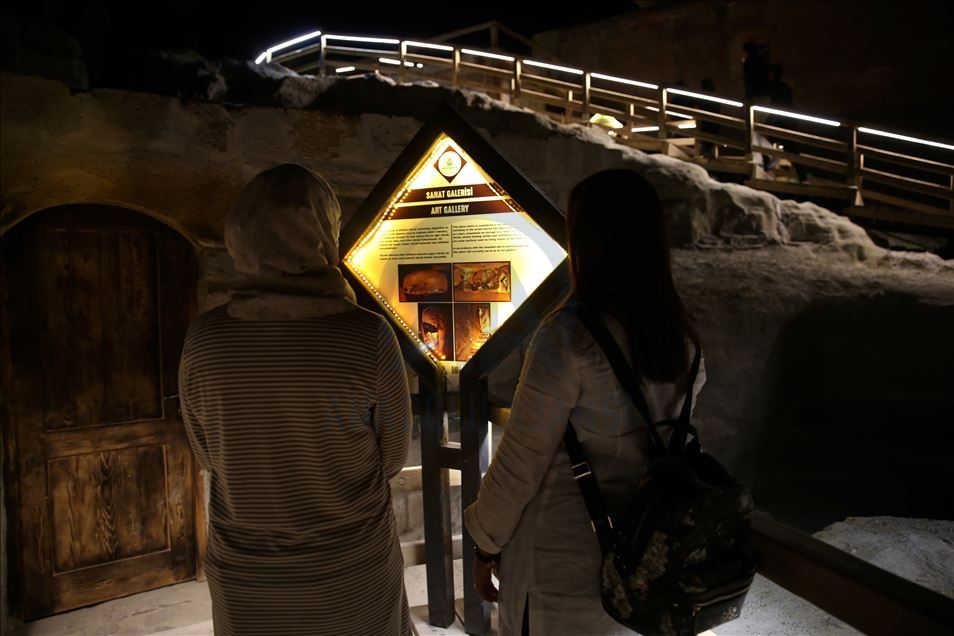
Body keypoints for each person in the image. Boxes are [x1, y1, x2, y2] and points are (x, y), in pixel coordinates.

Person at [464, 169, 706, 636]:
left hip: (561, 577)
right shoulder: (683, 341)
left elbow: (519, 464)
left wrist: (484, 544)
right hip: (642, 571)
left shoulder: (569, 339)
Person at [177, 164, 413, 636]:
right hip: (353, 576)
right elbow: (392, 457)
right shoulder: (366, 336)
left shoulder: (206, 339)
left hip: (248, 585)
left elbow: (207, 456)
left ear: (239, 237)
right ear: (325, 233)